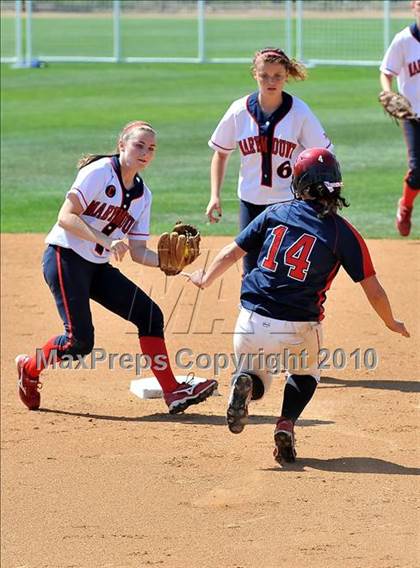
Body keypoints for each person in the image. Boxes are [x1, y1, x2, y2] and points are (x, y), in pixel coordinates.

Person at [190, 148, 409, 464]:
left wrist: (205, 278)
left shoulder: (275, 212)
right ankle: (286, 423)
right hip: (299, 326)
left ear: (299, 183)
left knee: (257, 377)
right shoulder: (342, 232)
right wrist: (391, 322)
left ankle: (247, 386)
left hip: (250, 320)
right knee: (306, 374)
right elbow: (373, 291)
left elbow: (230, 254)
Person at [15, 120, 217, 414]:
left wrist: (167, 263)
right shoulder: (98, 172)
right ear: (122, 145)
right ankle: (29, 369)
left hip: (96, 267)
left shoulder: (143, 196)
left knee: (149, 315)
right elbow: (66, 217)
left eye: (151, 148)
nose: (145, 152)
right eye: (139, 145)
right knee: (79, 342)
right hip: (65, 257)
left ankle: (173, 391)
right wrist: (106, 241)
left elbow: (137, 252)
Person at [206, 47, 332, 274]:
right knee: (251, 267)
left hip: (289, 202)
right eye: (264, 75)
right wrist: (215, 195)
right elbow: (221, 153)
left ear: (287, 76)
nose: (270, 81)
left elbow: (323, 156)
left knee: (282, 267)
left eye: (278, 76)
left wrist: (321, 196)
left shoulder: (299, 112)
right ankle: (247, 309)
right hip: (250, 201)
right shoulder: (239, 111)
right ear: (255, 74)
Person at [380, 0, 420, 236]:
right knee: (417, 171)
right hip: (412, 115)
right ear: (414, 8)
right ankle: (405, 206)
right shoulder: (403, 40)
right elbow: (387, 72)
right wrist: (388, 91)